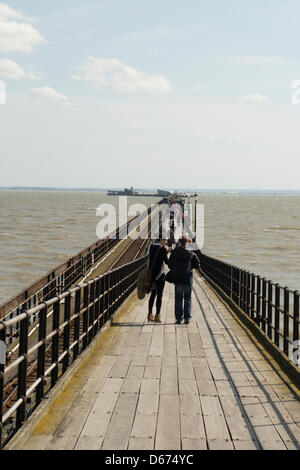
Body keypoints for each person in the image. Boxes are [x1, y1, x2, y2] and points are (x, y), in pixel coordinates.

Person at [168, 237, 200, 325]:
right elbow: (197, 265)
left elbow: (170, 265)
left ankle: (178, 318)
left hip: (178, 278)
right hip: (188, 278)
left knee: (178, 298)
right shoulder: (191, 253)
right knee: (188, 298)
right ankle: (187, 318)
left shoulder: (174, 253)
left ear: (180, 243)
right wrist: (190, 268)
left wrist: (176, 269)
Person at [147, 238, 169, 323]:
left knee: (153, 295)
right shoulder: (162, 249)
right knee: (159, 295)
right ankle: (157, 316)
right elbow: (167, 262)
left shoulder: (151, 247)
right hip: (160, 275)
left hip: (152, 275)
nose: (166, 242)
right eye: (165, 240)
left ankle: (150, 315)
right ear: (161, 240)